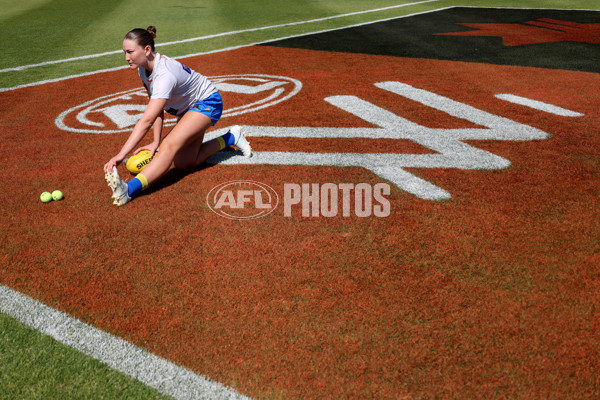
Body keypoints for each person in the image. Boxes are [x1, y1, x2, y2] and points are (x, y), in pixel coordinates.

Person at [103, 26, 251, 206]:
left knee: (169, 145)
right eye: (124, 52)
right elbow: (156, 109)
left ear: (147, 50)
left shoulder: (165, 74)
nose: (126, 57)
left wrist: (120, 155)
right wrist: (155, 142)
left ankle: (129, 190)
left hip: (207, 103)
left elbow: (146, 121)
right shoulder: (143, 69)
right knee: (184, 163)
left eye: (130, 52)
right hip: (189, 110)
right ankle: (231, 137)